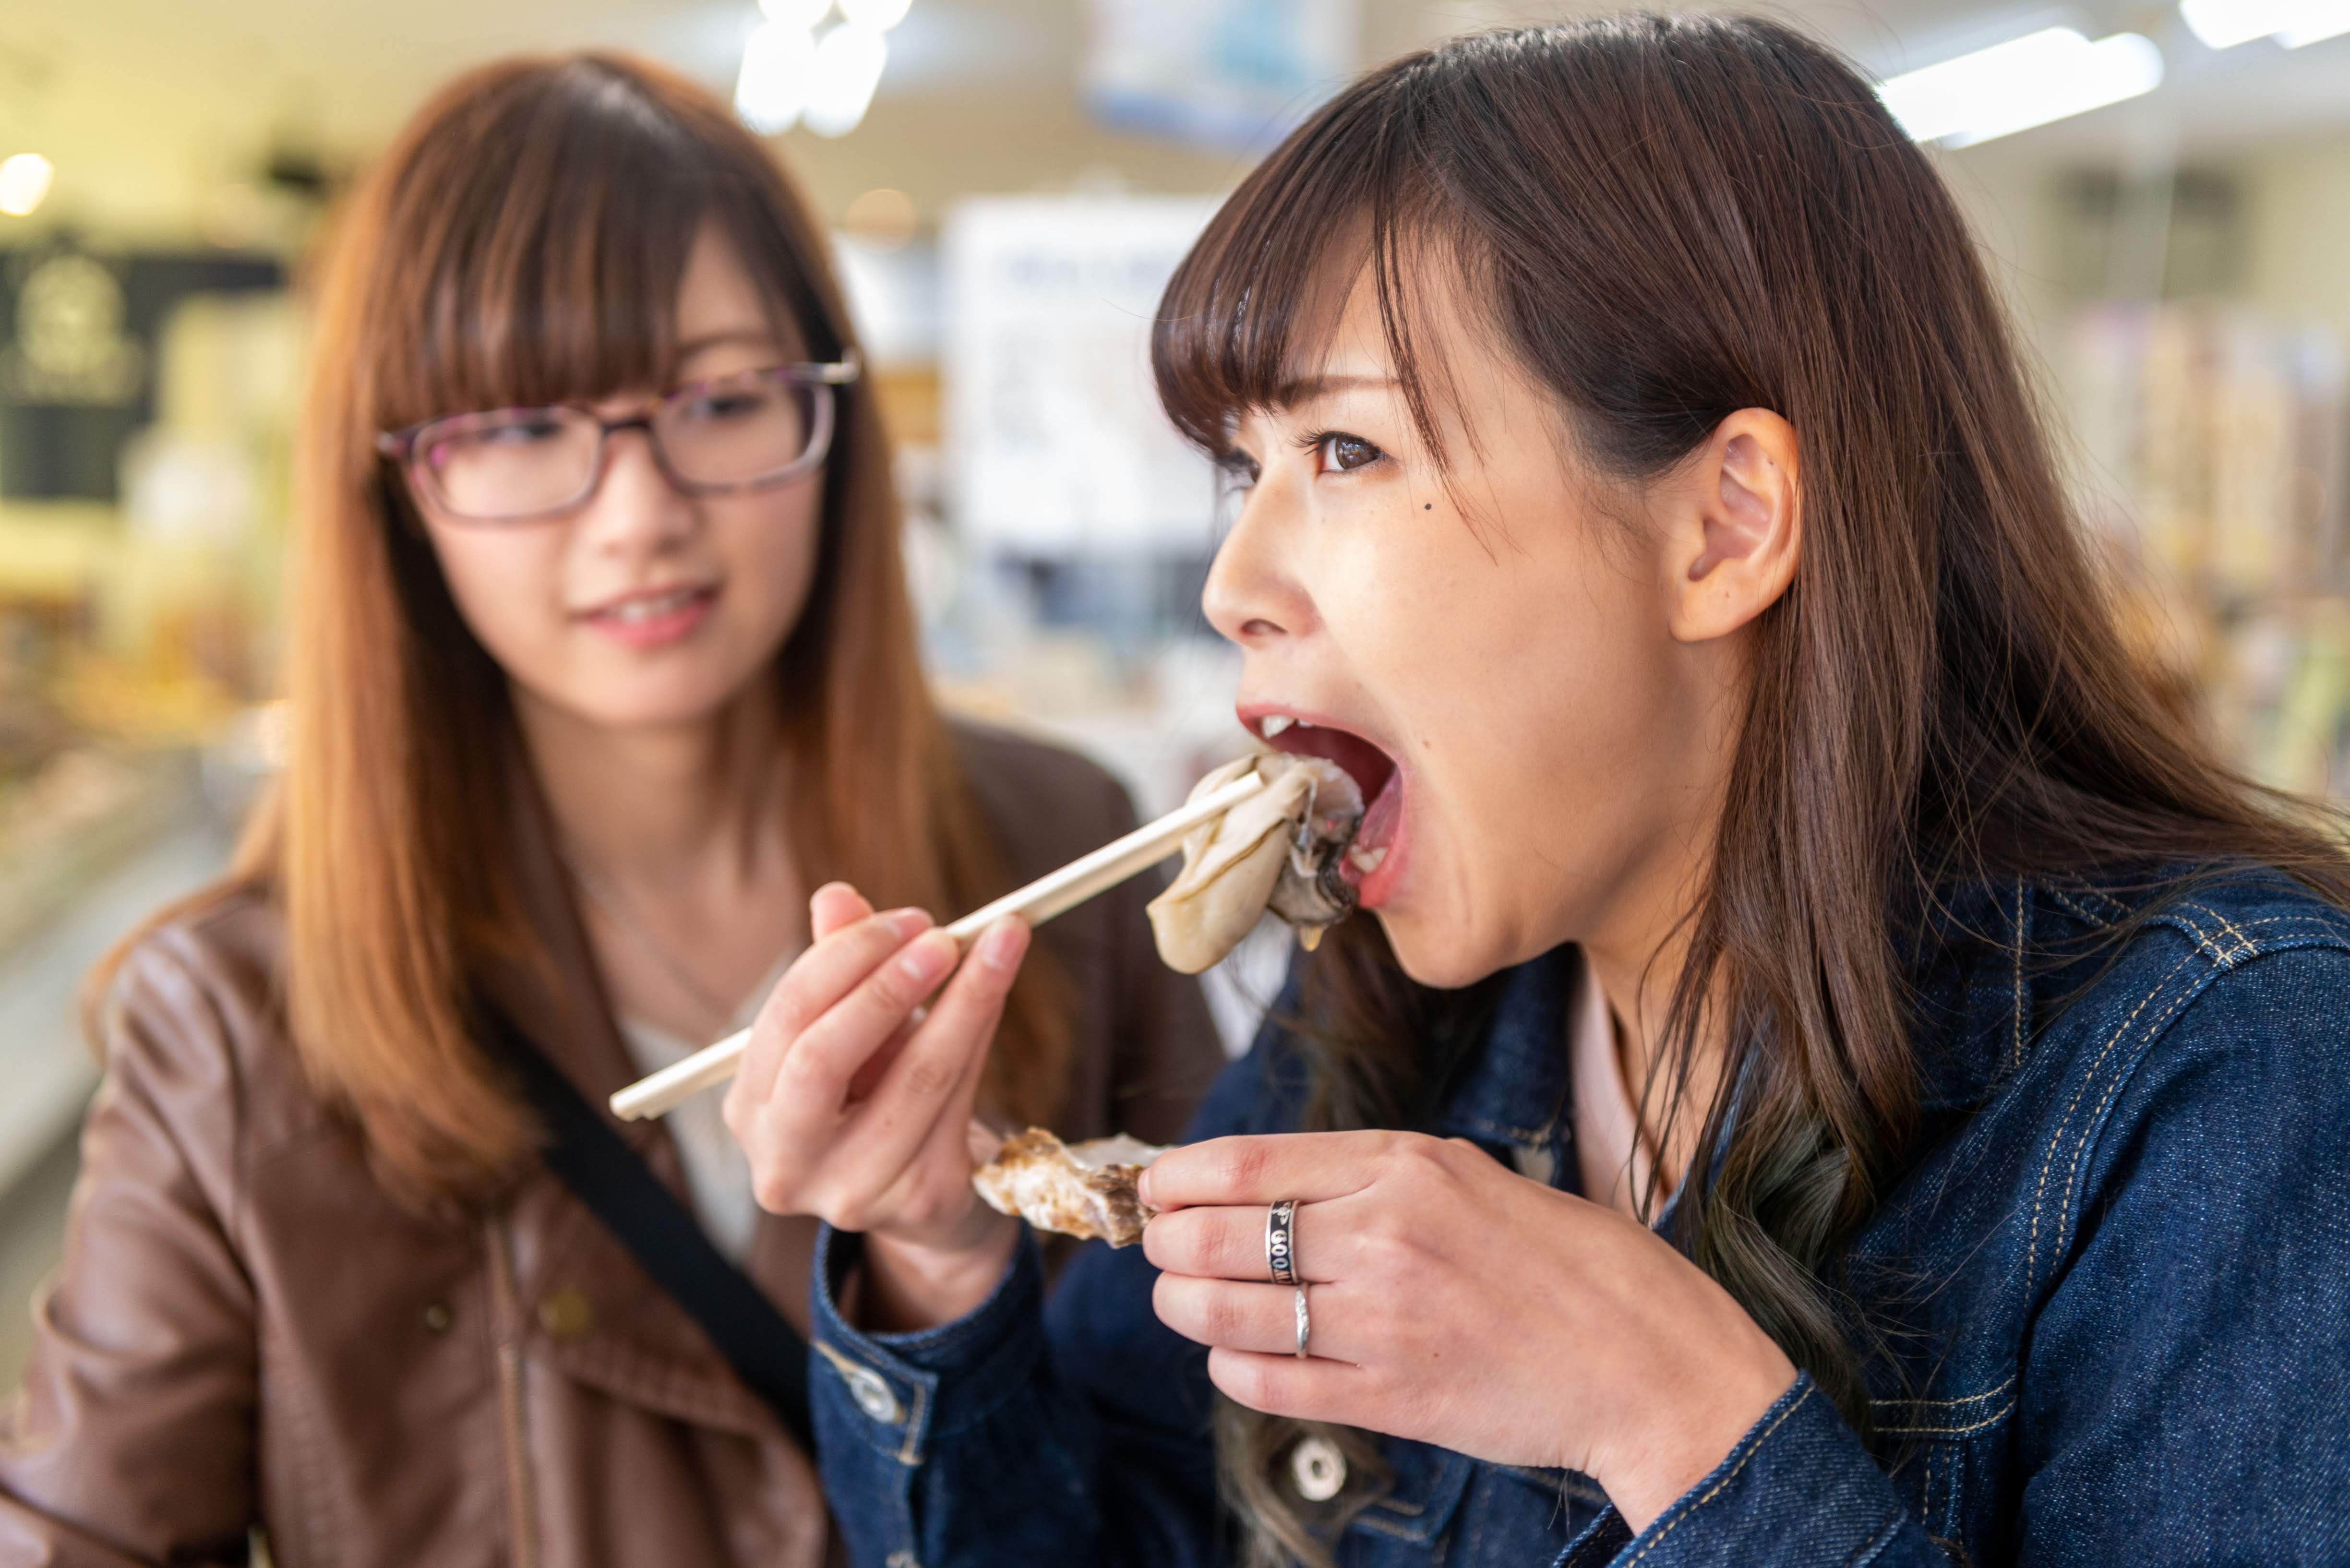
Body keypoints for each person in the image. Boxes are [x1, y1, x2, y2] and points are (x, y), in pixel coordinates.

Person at [718, 15, 2350, 1567]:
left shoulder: (2221, 1074)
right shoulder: (1379, 1017)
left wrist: (1666, 1411)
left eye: (1346, 453)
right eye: (1244, 467)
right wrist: (931, 1243)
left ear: (1724, 524)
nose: (1235, 578)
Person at [0, 53, 1222, 1567]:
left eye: (718, 400)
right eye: (519, 428)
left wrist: (941, 1280)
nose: (640, 512)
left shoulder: (1064, 852)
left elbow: (1219, 1477)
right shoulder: (238, 1016)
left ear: (827, 418)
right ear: (396, 486)